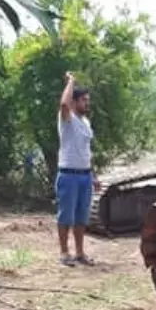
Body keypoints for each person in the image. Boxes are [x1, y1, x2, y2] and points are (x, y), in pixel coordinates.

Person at [57, 72, 98, 266]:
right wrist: (71, 82)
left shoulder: (85, 123)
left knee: (81, 216)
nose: (87, 104)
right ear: (74, 102)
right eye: (83, 100)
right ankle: (64, 252)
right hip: (68, 176)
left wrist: (93, 175)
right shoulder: (67, 119)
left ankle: (80, 252)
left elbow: (87, 151)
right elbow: (64, 104)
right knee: (66, 215)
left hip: (84, 176)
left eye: (87, 100)